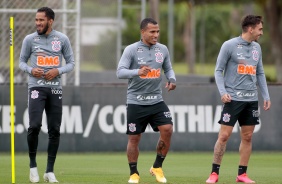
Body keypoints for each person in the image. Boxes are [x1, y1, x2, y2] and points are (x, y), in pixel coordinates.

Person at [206, 15, 271, 184]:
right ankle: (214, 173)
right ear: (250, 29)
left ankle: (242, 174)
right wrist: (223, 92)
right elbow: (218, 70)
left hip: (251, 100)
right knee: (224, 136)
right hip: (232, 99)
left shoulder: (257, 48)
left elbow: (260, 73)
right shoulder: (229, 46)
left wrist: (266, 95)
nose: (261, 33)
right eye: (260, 29)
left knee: (248, 137)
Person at [117, 18, 176, 184]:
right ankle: (134, 173)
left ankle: (157, 166)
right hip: (136, 101)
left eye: (157, 31)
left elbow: (168, 67)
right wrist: (138, 71)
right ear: (143, 32)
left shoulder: (162, 49)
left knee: (168, 128)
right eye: (152, 32)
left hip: (156, 100)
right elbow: (120, 72)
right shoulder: (131, 50)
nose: (156, 35)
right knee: (134, 138)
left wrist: (171, 79)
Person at [19, 7, 75, 183]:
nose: (38, 23)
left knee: (55, 129)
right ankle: (33, 166)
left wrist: (58, 70)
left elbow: (71, 63)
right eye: (36, 20)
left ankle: (49, 171)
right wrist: (30, 69)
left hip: (55, 88)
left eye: (41, 20)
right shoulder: (29, 39)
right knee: (34, 126)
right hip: (36, 87)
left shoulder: (62, 39)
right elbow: (21, 62)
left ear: (50, 21)